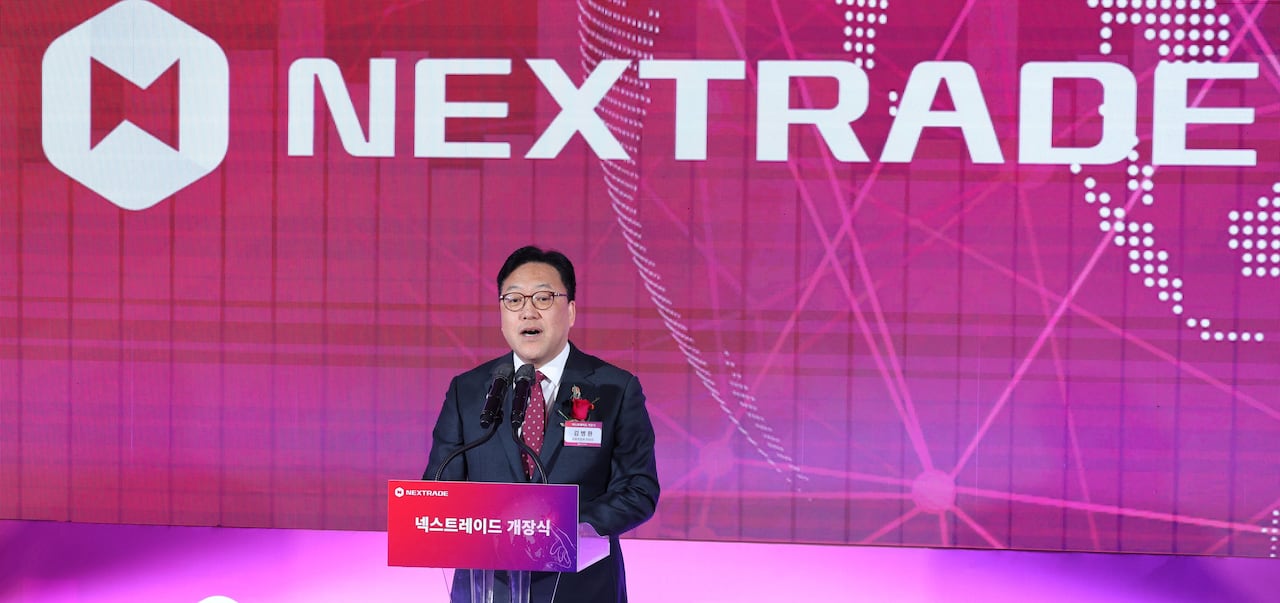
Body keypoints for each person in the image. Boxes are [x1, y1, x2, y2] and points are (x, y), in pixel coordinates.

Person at [424, 245, 660, 603]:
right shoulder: (468, 391)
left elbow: (638, 489)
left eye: (544, 298)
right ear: (501, 314)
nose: (528, 311)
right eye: (514, 300)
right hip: (487, 588)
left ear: (571, 311)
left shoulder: (615, 388)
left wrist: (565, 527)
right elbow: (440, 487)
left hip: (582, 587)